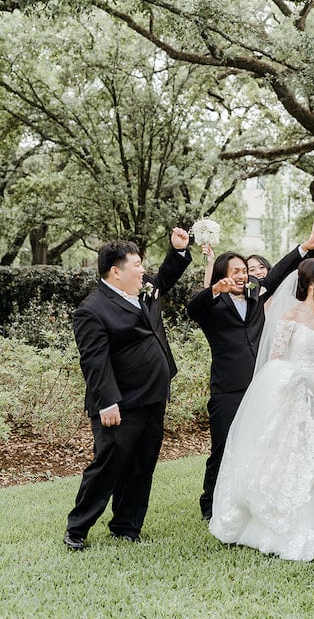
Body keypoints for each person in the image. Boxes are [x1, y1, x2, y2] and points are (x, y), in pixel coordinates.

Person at [208, 258, 314, 560]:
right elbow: (276, 359)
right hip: (294, 395)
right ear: (310, 282)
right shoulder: (290, 316)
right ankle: (289, 526)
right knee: (294, 456)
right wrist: (285, 387)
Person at [187, 219, 314, 521]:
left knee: (257, 445)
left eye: (244, 271)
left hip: (260, 385)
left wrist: (306, 245)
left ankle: (248, 500)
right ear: (225, 273)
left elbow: (277, 272)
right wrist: (214, 287)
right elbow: (193, 308)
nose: (242, 275)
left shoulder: (255, 297)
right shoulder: (212, 305)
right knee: (222, 447)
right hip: (228, 388)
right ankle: (210, 504)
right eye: (236, 271)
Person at [64, 228, 192, 550]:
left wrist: (177, 251)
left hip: (153, 396)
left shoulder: (142, 290)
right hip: (119, 403)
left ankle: (127, 526)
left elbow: (165, 277)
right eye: (136, 265)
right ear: (115, 271)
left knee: (142, 463)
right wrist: (107, 402)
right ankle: (77, 528)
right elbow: (94, 360)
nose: (142, 270)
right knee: (108, 465)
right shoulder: (92, 309)